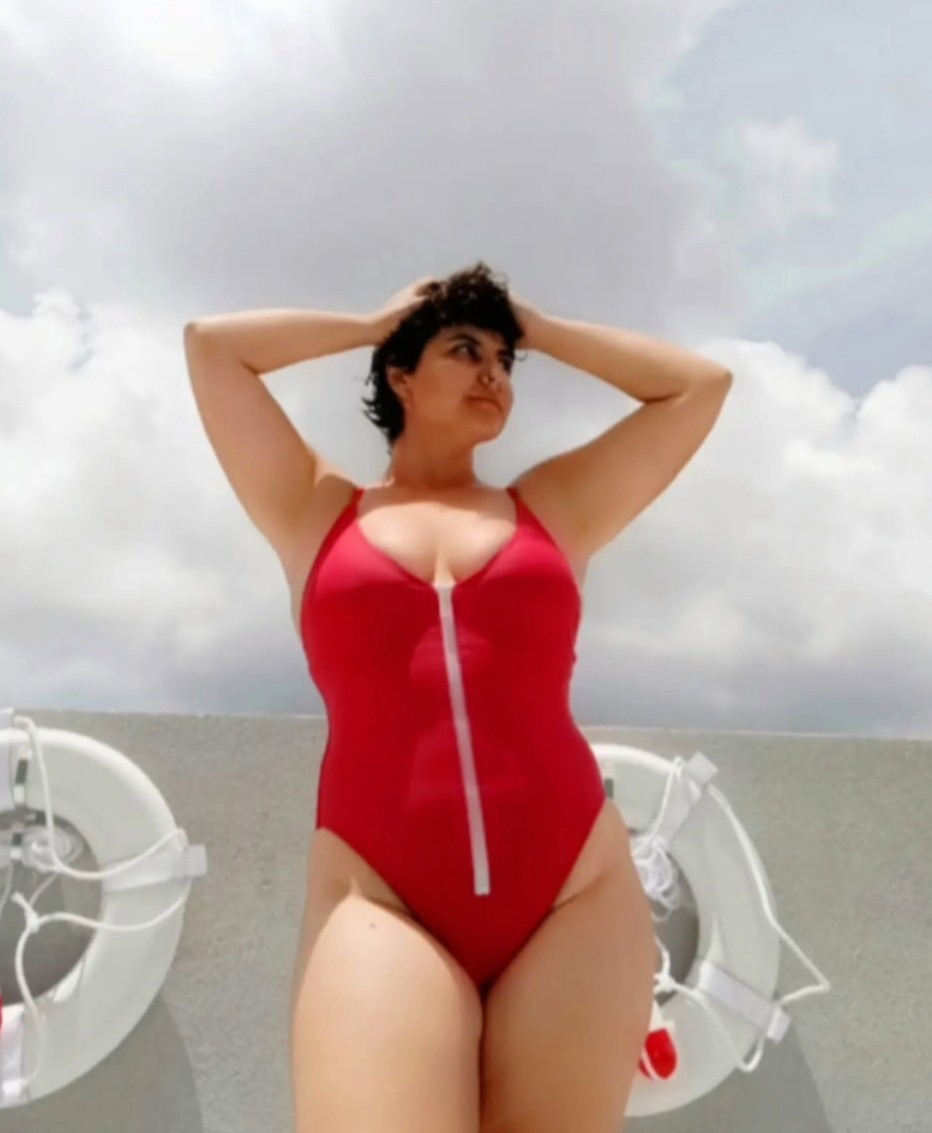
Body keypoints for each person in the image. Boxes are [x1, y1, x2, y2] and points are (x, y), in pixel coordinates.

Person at [183, 262, 732, 1132]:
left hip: (574, 895)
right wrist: (371, 323)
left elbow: (698, 387)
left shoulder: (555, 505)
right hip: (381, 895)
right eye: (466, 350)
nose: (494, 375)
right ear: (400, 376)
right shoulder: (314, 508)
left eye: (506, 362)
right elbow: (214, 349)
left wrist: (533, 323)